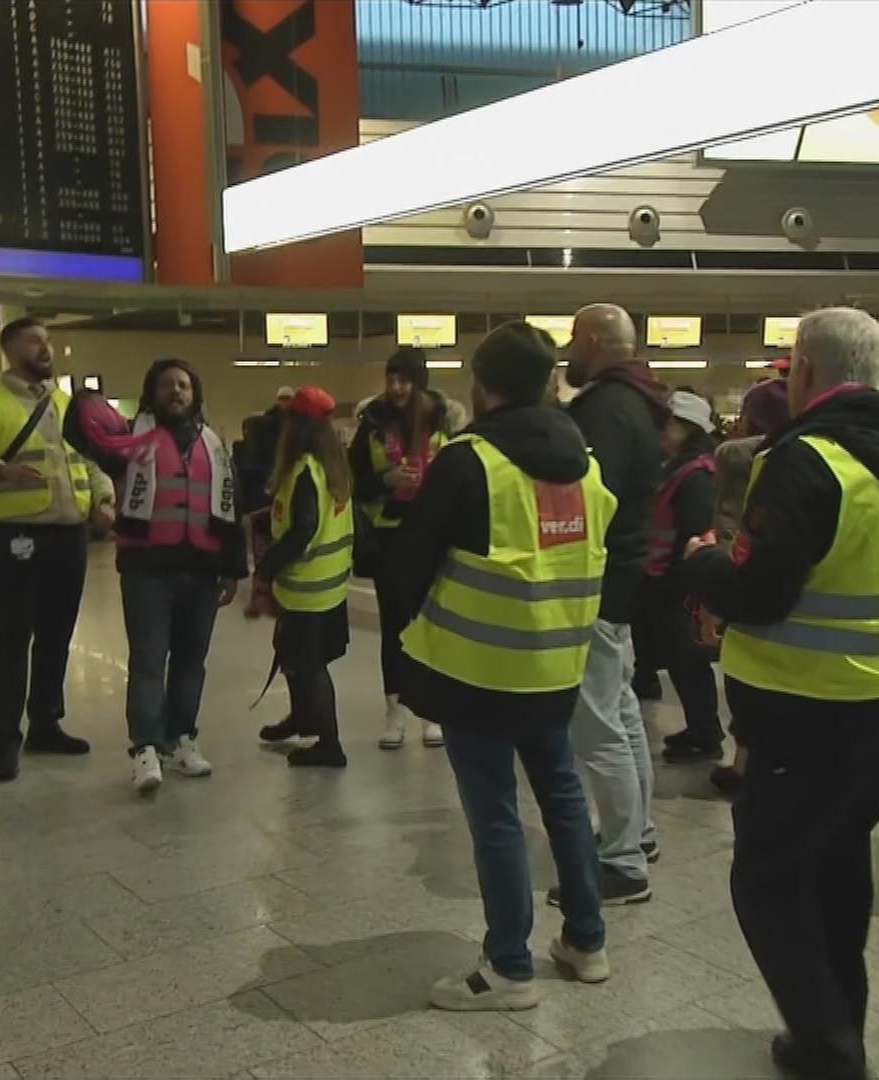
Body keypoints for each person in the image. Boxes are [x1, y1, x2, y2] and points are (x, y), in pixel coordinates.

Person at [680, 308, 879, 1080]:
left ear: (803, 370)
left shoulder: (809, 462)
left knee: (765, 883)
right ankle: (836, 1033)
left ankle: (829, 1051)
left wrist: (701, 563)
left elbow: (758, 592)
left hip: (803, 718)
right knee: (835, 880)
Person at [381, 322, 614, 1010]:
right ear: (548, 383)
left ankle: (509, 966)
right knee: (564, 799)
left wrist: (407, 634)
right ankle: (587, 941)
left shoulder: (469, 460)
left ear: (481, 388)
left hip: (477, 671)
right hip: (556, 664)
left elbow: (408, 567)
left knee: (497, 816)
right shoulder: (587, 463)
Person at [0, 317, 116, 782]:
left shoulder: (65, 403)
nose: (46, 348)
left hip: (70, 534)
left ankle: (46, 722)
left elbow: (89, 460)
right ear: (9, 350)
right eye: (34, 341)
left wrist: (103, 499)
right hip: (18, 536)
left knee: (58, 633)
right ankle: (4, 740)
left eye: (48, 341)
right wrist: (1, 473)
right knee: (14, 637)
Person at [66, 359, 246, 792]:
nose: (176, 392)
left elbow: (231, 508)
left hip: (201, 570)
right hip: (148, 569)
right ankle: (145, 747)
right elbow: (81, 430)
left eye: (184, 385)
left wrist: (233, 570)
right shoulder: (130, 441)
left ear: (195, 393)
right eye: (167, 385)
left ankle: (182, 738)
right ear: (153, 393)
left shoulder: (215, 445)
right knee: (148, 660)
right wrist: (89, 399)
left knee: (190, 661)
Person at [554, 302, 669, 904]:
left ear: (596, 340)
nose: (568, 348)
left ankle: (622, 863)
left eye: (574, 337)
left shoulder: (603, 410)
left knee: (595, 725)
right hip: (626, 577)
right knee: (620, 714)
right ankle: (638, 832)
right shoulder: (641, 404)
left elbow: (587, 501)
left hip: (598, 580)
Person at [349, 347, 467, 749]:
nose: (396, 387)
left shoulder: (444, 423)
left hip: (436, 537)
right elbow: (352, 481)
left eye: (404, 380)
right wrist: (386, 479)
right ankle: (395, 711)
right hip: (390, 539)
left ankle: (430, 712)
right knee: (395, 628)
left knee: (433, 624)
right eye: (391, 378)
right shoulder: (372, 425)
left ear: (419, 384)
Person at [252, 386, 355, 768]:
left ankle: (330, 745)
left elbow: (304, 528)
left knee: (309, 667)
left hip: (308, 588)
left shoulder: (307, 470)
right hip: (328, 586)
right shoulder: (333, 464)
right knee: (294, 658)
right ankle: (302, 718)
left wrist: (267, 567)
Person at [705, 377, 791, 798]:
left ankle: (742, 761)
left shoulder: (733, 460)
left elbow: (721, 518)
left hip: (735, 569)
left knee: (743, 676)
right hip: (785, 578)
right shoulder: (804, 459)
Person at [642, 391, 722, 763]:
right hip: (669, 579)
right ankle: (700, 728)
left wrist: (676, 579)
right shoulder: (677, 467)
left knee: (689, 660)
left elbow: (693, 530)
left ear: (687, 428)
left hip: (681, 584)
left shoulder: (695, 475)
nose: (663, 431)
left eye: (670, 424)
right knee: (680, 660)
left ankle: (707, 735)